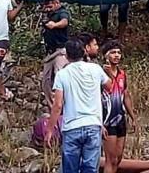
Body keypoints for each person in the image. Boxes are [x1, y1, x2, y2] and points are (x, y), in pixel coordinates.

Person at [45, 39, 112, 173]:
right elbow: (109, 86)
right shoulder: (95, 69)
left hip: (72, 127)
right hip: (93, 125)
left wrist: (50, 130)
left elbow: (57, 105)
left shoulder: (62, 74)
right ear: (84, 52)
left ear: (67, 56)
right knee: (91, 169)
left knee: (70, 169)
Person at [101, 41, 136, 173]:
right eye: (113, 53)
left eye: (119, 53)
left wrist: (132, 117)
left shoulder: (122, 74)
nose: (117, 55)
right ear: (106, 55)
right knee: (110, 158)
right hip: (107, 120)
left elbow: (125, 95)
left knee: (118, 158)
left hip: (120, 118)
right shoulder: (100, 74)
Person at [42, 0, 70, 108]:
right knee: (45, 80)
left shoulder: (62, 12)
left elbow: (64, 22)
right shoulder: (49, 14)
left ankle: (63, 106)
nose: (48, 9)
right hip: (50, 51)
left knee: (60, 77)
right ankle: (52, 106)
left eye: (50, 6)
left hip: (60, 50)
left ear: (57, 3)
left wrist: (55, 25)